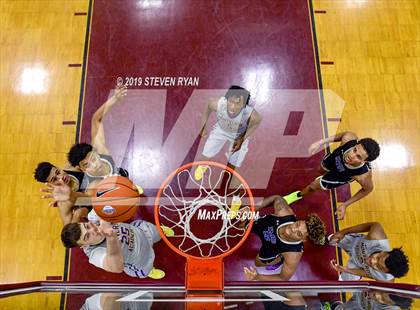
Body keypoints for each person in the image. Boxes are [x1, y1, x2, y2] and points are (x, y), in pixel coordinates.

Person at [194, 85, 262, 215]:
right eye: (231, 101)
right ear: (226, 99)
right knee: (205, 156)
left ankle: (236, 200)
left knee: (233, 170)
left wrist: (242, 138)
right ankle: (204, 165)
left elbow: (258, 121)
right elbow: (208, 105)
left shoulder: (250, 114)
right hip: (221, 130)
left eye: (238, 104)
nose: (233, 107)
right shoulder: (218, 104)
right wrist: (203, 126)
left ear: (244, 106)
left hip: (238, 136)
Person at [283, 131, 380, 220]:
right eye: (354, 150)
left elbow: (368, 190)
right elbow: (342, 135)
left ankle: (298, 195)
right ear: (357, 143)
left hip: (339, 176)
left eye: (358, 157)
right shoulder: (349, 139)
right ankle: (322, 176)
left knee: (313, 186)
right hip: (333, 160)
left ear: (365, 161)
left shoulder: (362, 175)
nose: (351, 156)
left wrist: (345, 204)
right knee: (320, 170)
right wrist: (320, 142)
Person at [243, 195, 326, 281]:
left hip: (273, 248)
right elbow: (276, 198)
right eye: (297, 224)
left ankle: (279, 260)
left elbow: (283, 278)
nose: (292, 229)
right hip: (264, 225)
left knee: (258, 263)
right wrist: (252, 208)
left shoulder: (293, 254)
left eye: (298, 234)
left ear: (303, 240)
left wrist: (257, 277)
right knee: (242, 223)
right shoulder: (284, 213)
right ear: (298, 221)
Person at [61, 217, 172, 280]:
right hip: (140, 260)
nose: (93, 230)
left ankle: (159, 232)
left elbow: (104, 197)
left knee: (155, 230)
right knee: (146, 267)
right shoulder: (94, 254)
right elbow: (117, 268)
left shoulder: (94, 218)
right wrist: (111, 238)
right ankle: (150, 271)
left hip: (141, 231)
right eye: (87, 236)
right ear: (83, 246)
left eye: (87, 226)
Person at [67, 84, 133, 186]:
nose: (95, 166)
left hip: (123, 179)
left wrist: (115, 98)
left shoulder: (100, 150)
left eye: (93, 159)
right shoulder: (92, 185)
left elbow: (96, 119)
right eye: (86, 165)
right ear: (81, 169)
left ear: (96, 153)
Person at [327, 222, 409, 282]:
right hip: (354, 244)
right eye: (378, 257)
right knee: (331, 238)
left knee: (342, 282)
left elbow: (369, 274)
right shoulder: (376, 235)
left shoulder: (386, 279)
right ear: (385, 252)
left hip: (357, 265)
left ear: (385, 272)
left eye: (377, 266)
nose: (372, 261)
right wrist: (343, 232)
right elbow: (373, 225)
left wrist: (347, 270)